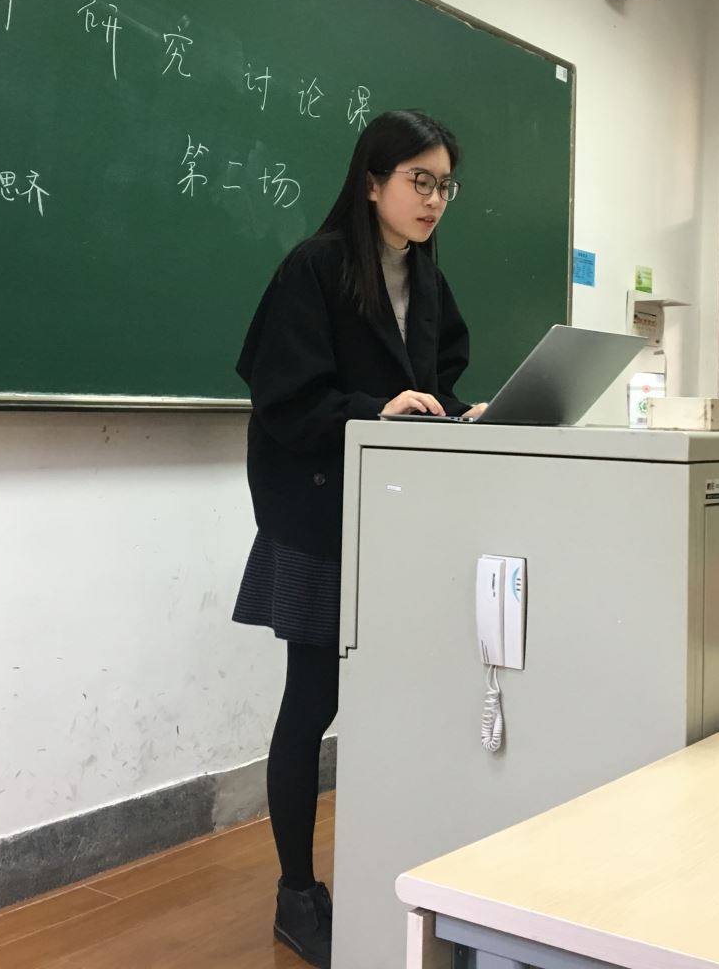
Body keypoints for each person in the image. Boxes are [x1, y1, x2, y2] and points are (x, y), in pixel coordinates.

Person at [231, 110, 480, 968]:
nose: (434, 199)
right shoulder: (317, 267)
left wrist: (462, 413)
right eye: (419, 180)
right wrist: (377, 410)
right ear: (372, 182)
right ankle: (297, 893)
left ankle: (395, 865)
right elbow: (285, 400)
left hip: (395, 519)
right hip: (317, 517)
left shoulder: (428, 280)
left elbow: (435, 384)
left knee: (396, 695)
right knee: (313, 700)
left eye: (445, 184)